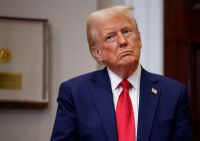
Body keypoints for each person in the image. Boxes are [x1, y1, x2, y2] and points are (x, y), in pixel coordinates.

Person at [51, 5, 192, 141]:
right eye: (110, 37)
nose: (123, 41)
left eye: (126, 31)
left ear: (139, 40)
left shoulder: (173, 94)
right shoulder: (75, 93)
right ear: (97, 52)